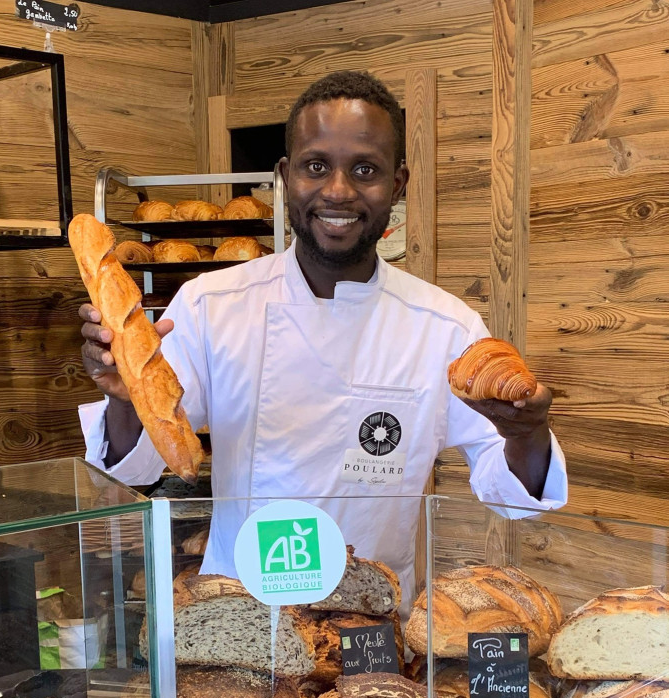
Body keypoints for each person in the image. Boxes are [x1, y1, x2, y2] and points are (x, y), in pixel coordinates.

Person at [79, 71, 566, 608]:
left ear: (398, 185)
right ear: (286, 176)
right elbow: (144, 465)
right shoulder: (210, 305)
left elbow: (513, 496)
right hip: (240, 621)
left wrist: (527, 433)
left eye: (365, 169)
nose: (338, 190)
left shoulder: (444, 327)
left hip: (370, 628)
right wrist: (123, 398)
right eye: (316, 166)